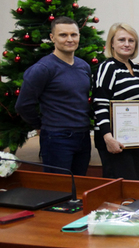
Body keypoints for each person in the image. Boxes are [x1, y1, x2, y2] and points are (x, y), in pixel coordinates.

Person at [16, 16, 92, 175]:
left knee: (79, 186)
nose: (69, 39)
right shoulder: (43, 68)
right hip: (57, 139)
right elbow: (23, 105)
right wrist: (40, 125)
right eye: (63, 35)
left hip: (84, 137)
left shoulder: (83, 66)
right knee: (58, 190)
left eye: (74, 35)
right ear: (52, 37)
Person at [92, 23, 139, 180]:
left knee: (132, 182)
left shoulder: (138, 69)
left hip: (133, 138)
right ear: (112, 43)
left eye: (131, 40)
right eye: (121, 40)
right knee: (119, 186)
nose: (127, 44)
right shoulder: (108, 68)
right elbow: (100, 104)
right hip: (113, 139)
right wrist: (108, 137)